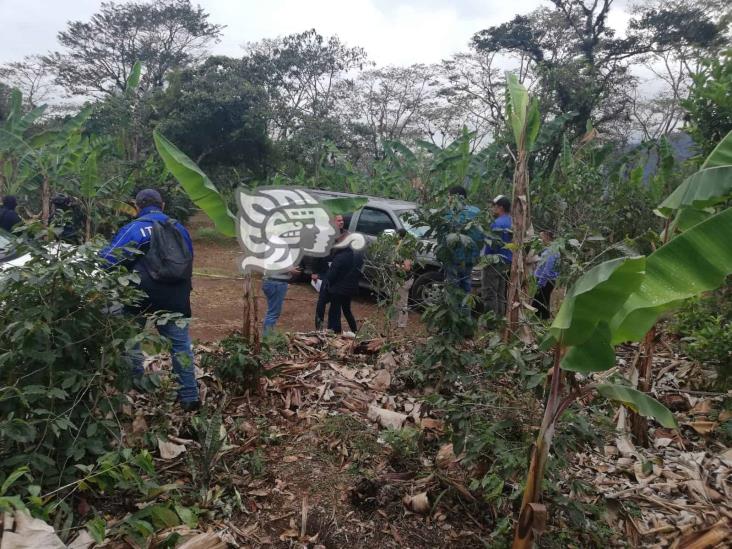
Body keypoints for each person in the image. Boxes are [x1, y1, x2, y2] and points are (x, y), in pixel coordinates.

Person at [99, 189, 200, 411]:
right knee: (181, 346)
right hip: (176, 298)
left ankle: (136, 390)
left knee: (131, 342)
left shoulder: (135, 228)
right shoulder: (180, 229)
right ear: (162, 206)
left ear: (137, 206)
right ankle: (190, 397)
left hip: (139, 297)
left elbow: (109, 261)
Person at [444, 186, 482, 294]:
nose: (448, 200)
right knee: (466, 288)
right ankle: (465, 310)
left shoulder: (449, 213)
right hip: (470, 259)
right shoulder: (476, 212)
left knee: (453, 291)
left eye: (449, 197)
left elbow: (445, 237)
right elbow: (480, 236)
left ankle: (455, 311)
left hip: (454, 259)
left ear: (454, 197)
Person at [313, 214, 347, 330]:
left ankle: (334, 329)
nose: (341, 222)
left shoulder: (346, 235)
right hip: (324, 273)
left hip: (338, 274)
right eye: (338, 220)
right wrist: (314, 271)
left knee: (336, 303)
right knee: (322, 301)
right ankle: (319, 326)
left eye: (342, 220)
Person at [481, 195, 513, 316]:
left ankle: (491, 321)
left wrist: (485, 260)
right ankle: (500, 319)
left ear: (500, 207)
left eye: (495, 206)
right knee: (500, 292)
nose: (493, 209)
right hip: (507, 261)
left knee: (490, 292)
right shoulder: (511, 222)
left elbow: (490, 245)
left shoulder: (497, 223)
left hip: (494, 261)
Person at [326, 235, 363, 334]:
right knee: (347, 310)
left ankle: (335, 331)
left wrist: (329, 280)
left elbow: (331, 275)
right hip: (350, 288)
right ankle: (354, 331)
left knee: (335, 310)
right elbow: (360, 272)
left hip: (338, 289)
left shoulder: (340, 258)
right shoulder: (358, 256)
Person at [262, 265, 301, 335]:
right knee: (272, 314)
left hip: (271, 281)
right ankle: (267, 340)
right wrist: (290, 270)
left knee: (272, 312)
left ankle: (268, 335)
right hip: (276, 283)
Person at [532, 230, 559, 320]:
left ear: (547, 237)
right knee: (541, 301)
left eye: (542, 237)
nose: (541, 239)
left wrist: (541, 282)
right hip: (546, 280)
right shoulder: (548, 250)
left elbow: (547, 269)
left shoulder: (551, 251)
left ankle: (542, 320)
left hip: (546, 281)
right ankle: (542, 320)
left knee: (540, 302)